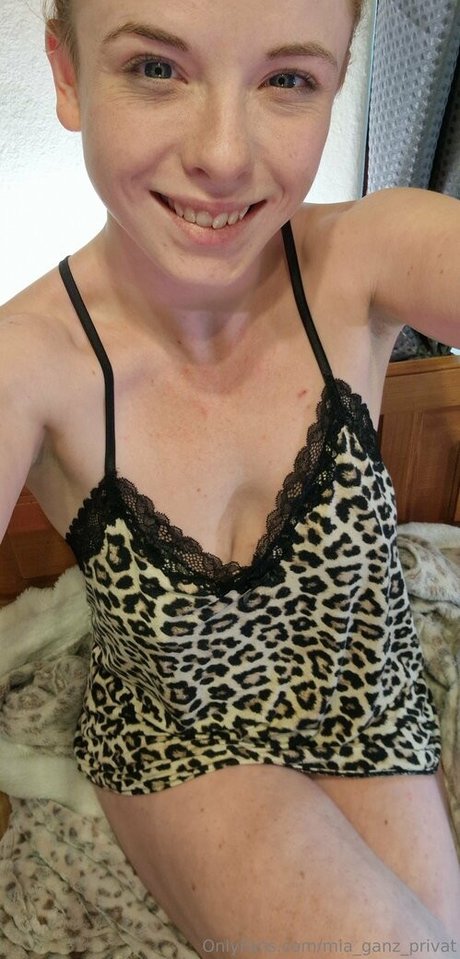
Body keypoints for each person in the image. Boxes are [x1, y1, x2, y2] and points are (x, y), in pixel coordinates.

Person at [1, 0, 459, 955]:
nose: (223, 155)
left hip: (367, 689)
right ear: (69, 74)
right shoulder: (27, 360)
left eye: (288, 79)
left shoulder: (363, 256)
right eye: (156, 68)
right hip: (180, 738)